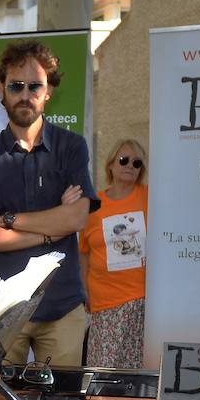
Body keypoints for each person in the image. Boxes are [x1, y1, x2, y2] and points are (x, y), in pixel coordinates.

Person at [0, 41, 97, 367]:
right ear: (0, 89)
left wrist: (8, 219)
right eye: (16, 85)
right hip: (3, 308)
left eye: (35, 85)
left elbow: (76, 218)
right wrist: (51, 230)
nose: (26, 94)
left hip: (62, 305)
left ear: (48, 90)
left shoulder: (71, 147)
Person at [81, 138, 148, 368]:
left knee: (139, 373)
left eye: (137, 163)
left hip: (143, 302)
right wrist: (84, 291)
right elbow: (83, 253)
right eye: (124, 160)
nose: (130, 165)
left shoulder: (152, 197)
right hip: (105, 304)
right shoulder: (94, 206)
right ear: (111, 165)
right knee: (104, 371)